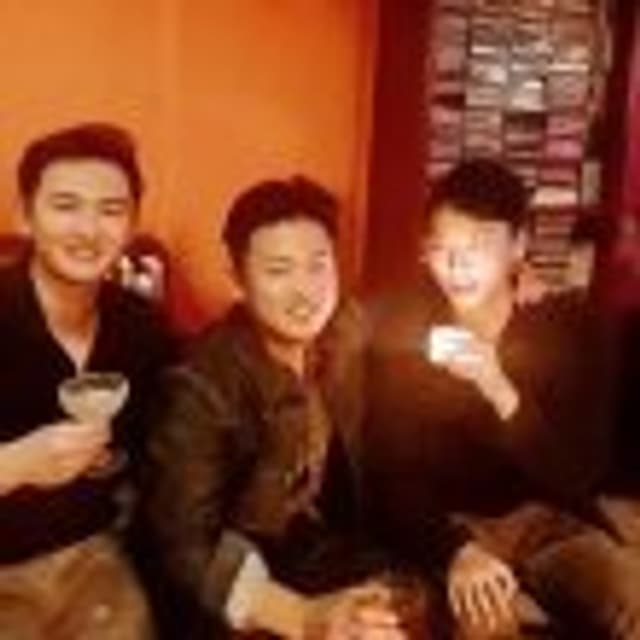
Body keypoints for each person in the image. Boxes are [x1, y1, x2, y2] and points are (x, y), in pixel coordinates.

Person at [363, 159, 640, 638]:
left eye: (478, 247)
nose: (457, 267)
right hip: (455, 524)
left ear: (518, 246)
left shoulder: (572, 330)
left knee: (630, 598)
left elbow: (578, 473)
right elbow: (392, 474)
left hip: (548, 519)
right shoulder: (404, 328)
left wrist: (500, 391)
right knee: (486, 623)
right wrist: (455, 550)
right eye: (442, 248)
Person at [143, 177, 428, 639]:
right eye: (279, 271)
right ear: (238, 279)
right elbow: (186, 546)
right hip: (236, 579)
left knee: (406, 608)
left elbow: (404, 315)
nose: (305, 291)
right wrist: (302, 617)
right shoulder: (198, 384)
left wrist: (512, 284)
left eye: (318, 266)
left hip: (317, 548)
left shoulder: (342, 332)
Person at [0, 123, 176, 639]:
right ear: (25, 215)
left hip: (94, 561)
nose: (88, 230)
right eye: (66, 206)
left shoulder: (140, 327)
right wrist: (14, 464)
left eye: (111, 210)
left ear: (132, 223)